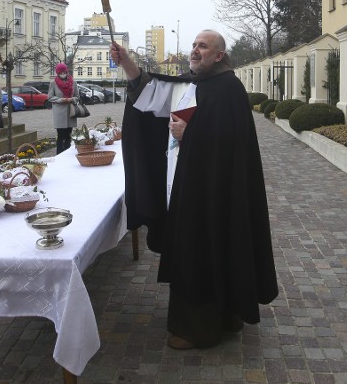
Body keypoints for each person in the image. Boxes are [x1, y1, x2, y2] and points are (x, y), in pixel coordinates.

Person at [110, 29, 278, 350]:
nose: (195, 50)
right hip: (188, 186)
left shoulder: (229, 88)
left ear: (219, 56)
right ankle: (227, 317)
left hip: (213, 193)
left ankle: (197, 330)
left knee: (200, 250)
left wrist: (190, 132)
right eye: (194, 45)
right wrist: (127, 62)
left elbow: (230, 142)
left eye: (204, 46)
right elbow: (148, 93)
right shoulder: (189, 86)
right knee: (204, 249)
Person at [46, 62, 80, 154]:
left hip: (70, 112)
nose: (62, 74)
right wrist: (61, 100)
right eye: (60, 73)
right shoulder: (53, 83)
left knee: (68, 135)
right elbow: (50, 97)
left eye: (64, 72)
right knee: (61, 136)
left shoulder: (73, 82)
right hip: (59, 113)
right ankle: (59, 154)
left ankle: (68, 154)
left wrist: (71, 99)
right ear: (57, 73)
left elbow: (77, 97)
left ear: (67, 72)